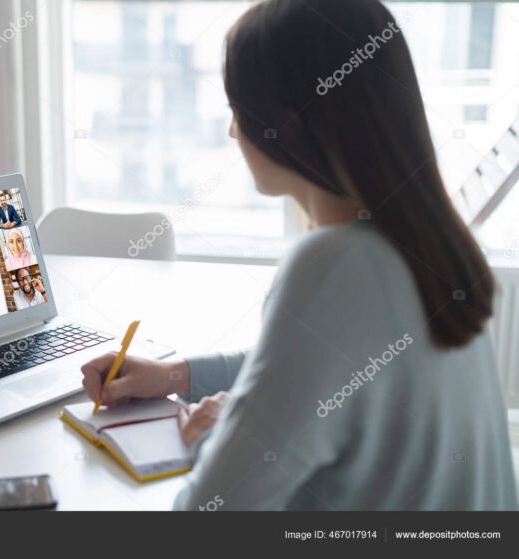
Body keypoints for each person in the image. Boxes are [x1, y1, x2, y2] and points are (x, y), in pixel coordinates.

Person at [81, 0, 517, 511]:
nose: (231, 131)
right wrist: (176, 376)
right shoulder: (433, 242)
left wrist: (207, 440)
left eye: (235, 109)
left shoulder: (334, 263)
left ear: (283, 127)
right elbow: (315, 365)